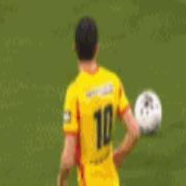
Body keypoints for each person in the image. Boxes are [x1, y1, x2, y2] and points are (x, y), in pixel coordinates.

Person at [57, 17, 140, 186]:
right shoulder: (113, 82)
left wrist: (61, 181)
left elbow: (68, 159)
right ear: (97, 48)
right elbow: (134, 131)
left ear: (74, 48)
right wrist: (119, 155)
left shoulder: (74, 93)